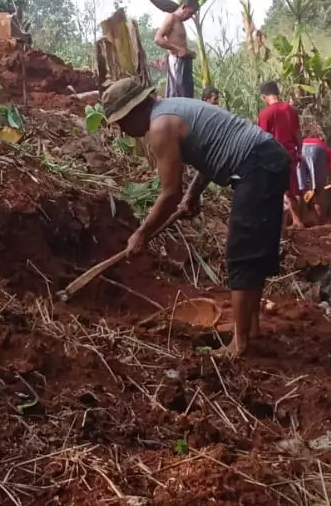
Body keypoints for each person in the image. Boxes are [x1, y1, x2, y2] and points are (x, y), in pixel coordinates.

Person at [101, 77, 290, 355]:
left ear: (134, 110)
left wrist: (142, 232)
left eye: (121, 123)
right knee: (252, 256)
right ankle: (249, 330)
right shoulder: (174, 108)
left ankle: (240, 343)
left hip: (257, 166)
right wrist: (193, 194)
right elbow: (211, 154)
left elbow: (169, 193)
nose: (123, 131)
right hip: (266, 159)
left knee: (241, 256)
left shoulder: (160, 126)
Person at [257, 81, 303, 226]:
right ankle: (297, 221)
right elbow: (297, 133)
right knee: (290, 191)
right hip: (290, 154)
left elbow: (263, 138)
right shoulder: (291, 109)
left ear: (264, 97)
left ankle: (279, 223)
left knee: (274, 190)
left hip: (274, 156)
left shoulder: (265, 114)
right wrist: (300, 151)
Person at [155, 3, 196, 99]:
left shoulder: (179, 22)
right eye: (189, 13)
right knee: (177, 93)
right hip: (176, 61)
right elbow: (158, 39)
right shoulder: (171, 17)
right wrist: (176, 49)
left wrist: (190, 53)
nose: (189, 17)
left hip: (184, 62)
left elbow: (182, 47)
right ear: (184, 7)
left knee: (186, 94)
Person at [299, 128, 331, 223]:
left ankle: (301, 219)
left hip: (300, 148)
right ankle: (320, 220)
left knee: (301, 188)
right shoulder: (325, 147)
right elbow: (330, 168)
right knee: (318, 190)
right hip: (317, 150)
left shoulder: (304, 140)